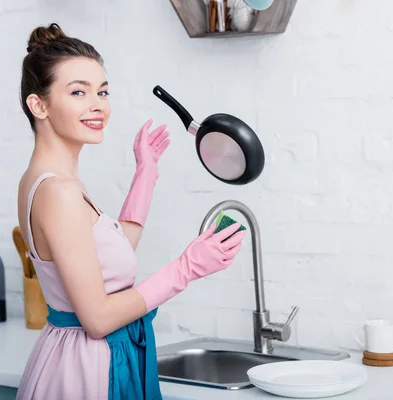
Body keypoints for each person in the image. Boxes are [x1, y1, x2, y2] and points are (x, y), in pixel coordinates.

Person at [15, 23, 246, 400]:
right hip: (87, 370)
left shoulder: (46, 181)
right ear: (39, 104)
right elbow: (98, 318)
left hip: (75, 355)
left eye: (102, 91)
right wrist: (186, 267)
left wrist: (146, 174)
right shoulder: (58, 192)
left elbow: (110, 254)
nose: (98, 105)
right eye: (78, 92)